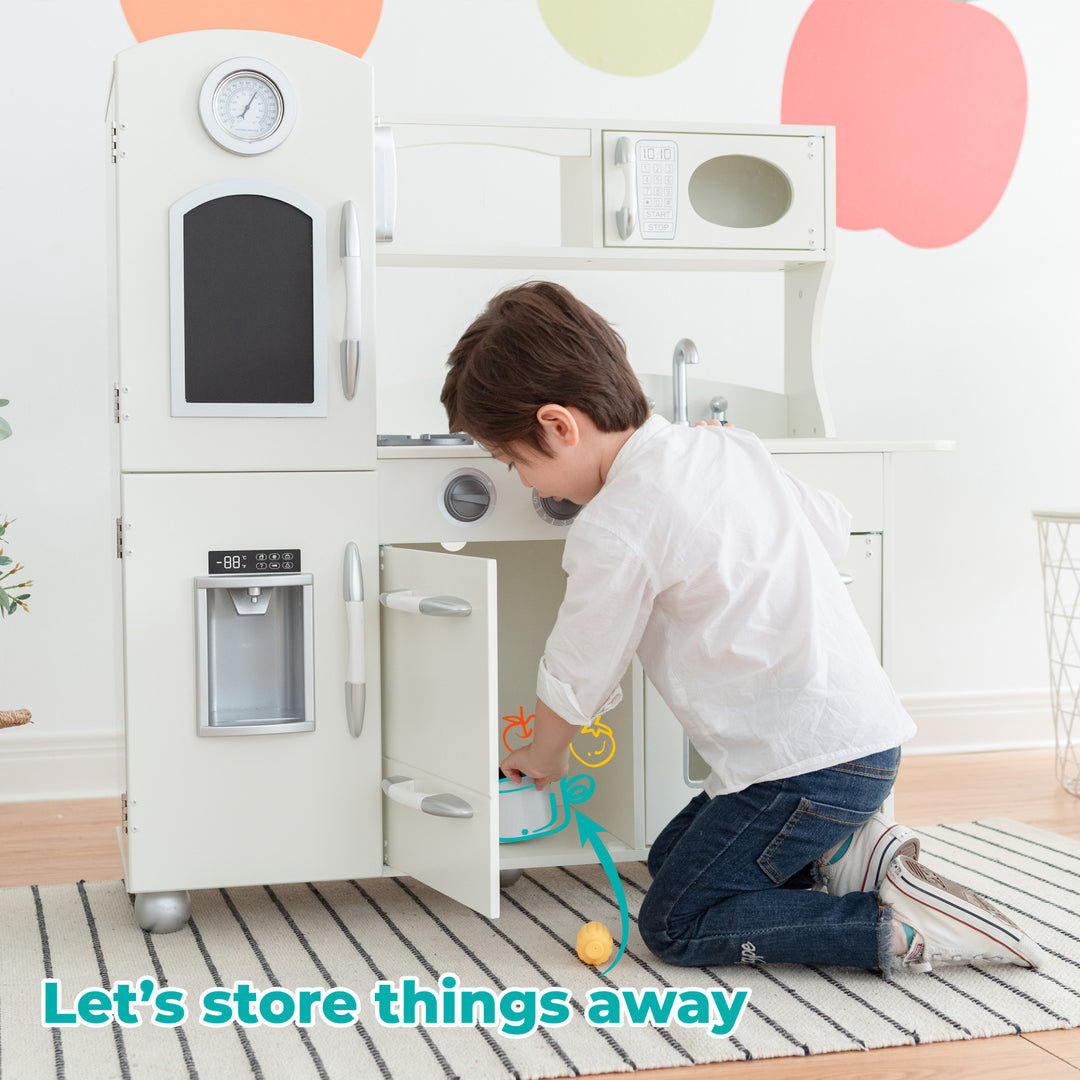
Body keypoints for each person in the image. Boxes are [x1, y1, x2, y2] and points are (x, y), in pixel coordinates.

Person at [440, 280, 1044, 978]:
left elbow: (580, 665)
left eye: (517, 463)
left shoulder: (618, 521)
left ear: (559, 426)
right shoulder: (726, 451)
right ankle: (846, 858)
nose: (526, 485)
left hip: (807, 770)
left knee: (677, 922)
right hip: (859, 748)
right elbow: (832, 530)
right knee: (671, 862)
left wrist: (544, 757)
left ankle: (895, 928)